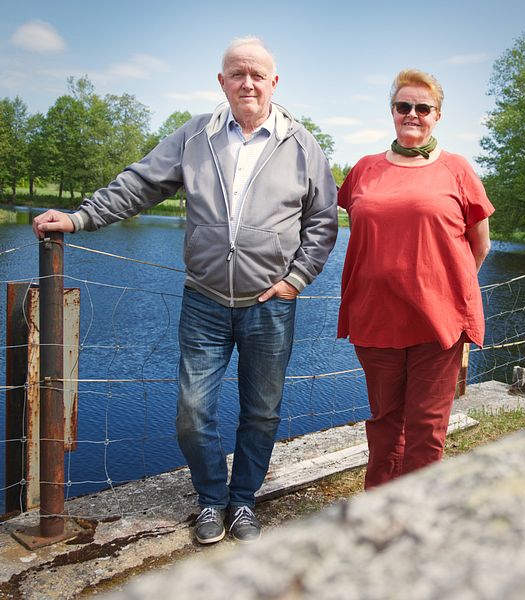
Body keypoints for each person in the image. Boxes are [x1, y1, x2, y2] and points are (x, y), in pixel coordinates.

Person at [33, 37, 338, 544]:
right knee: (192, 414)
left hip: (271, 306)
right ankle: (211, 498)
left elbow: (323, 221)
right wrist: (80, 217)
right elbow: (139, 184)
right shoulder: (197, 136)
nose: (247, 82)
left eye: (257, 74)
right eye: (237, 73)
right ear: (222, 81)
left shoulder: (301, 144)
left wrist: (296, 280)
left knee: (262, 412)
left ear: (274, 82)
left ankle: (242, 502)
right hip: (205, 300)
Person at [337, 69, 494, 490]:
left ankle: (417, 519)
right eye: (403, 106)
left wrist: (444, 289)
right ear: (392, 111)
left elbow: (480, 245)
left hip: (437, 324)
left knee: (426, 428)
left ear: (437, 116)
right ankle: (379, 508)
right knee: (385, 422)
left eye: (423, 108)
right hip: (376, 320)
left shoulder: (457, 170)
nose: (413, 114)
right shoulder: (364, 170)